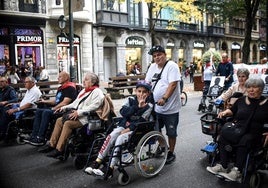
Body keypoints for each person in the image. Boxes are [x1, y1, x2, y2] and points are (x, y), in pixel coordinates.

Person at [84, 80, 153, 178]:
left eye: (144, 92)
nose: (141, 94)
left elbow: (141, 121)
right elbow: (123, 112)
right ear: (135, 91)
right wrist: (137, 107)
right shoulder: (130, 100)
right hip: (124, 125)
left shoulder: (149, 106)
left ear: (148, 93)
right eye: (139, 91)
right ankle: (97, 162)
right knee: (111, 135)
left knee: (120, 138)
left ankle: (110, 168)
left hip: (136, 130)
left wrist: (128, 129)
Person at [206, 78, 268, 182]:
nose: (251, 90)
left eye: (255, 87)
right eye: (249, 87)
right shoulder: (241, 100)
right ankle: (223, 165)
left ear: (261, 89)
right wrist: (225, 112)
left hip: (256, 132)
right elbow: (232, 110)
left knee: (245, 139)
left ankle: (237, 171)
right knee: (223, 136)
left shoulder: (266, 103)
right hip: (239, 129)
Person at [38, 72, 104, 159]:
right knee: (59, 120)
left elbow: (95, 106)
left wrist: (79, 112)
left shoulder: (97, 92)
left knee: (68, 124)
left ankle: (59, 149)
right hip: (78, 115)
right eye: (84, 79)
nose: (84, 81)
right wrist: (63, 108)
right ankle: (51, 144)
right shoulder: (84, 91)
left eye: (86, 80)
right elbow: (75, 103)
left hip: (87, 118)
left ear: (93, 82)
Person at [145, 45, 181, 164]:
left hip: (170, 108)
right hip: (156, 107)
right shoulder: (152, 67)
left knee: (171, 132)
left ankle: (171, 152)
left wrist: (164, 98)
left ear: (165, 55)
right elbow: (147, 82)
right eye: (154, 56)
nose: (157, 57)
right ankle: (163, 147)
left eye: (159, 54)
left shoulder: (172, 66)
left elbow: (173, 84)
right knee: (156, 129)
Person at [24, 71, 77, 146]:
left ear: (66, 78)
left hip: (64, 110)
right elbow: (56, 101)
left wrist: (53, 108)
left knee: (46, 112)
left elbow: (65, 102)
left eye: (60, 77)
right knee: (39, 111)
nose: (58, 78)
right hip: (57, 108)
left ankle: (41, 138)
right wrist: (44, 101)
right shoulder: (61, 88)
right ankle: (34, 136)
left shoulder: (70, 88)